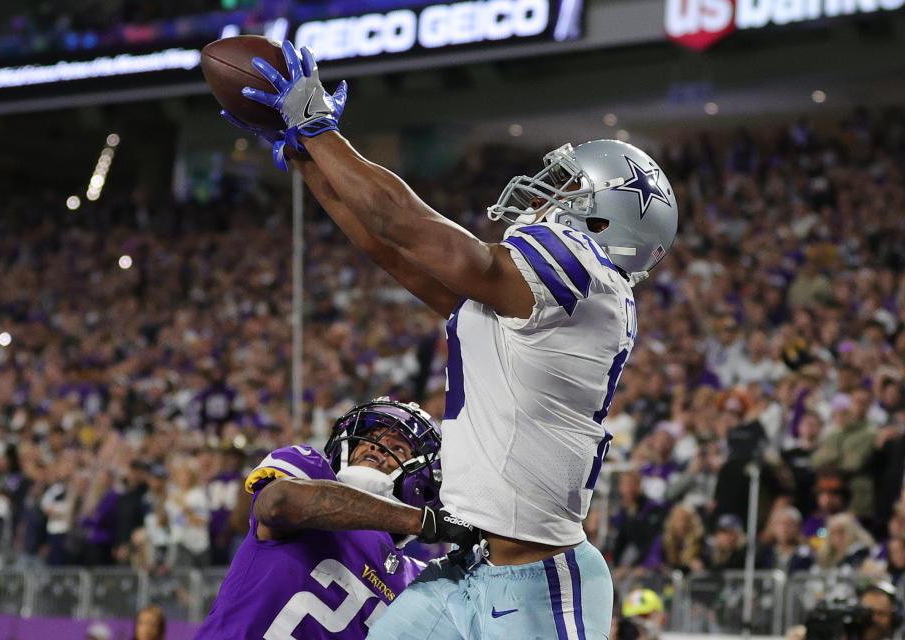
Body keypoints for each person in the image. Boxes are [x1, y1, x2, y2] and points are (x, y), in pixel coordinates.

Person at [231, 40, 676, 639]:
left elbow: (405, 225)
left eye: (567, 188)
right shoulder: (538, 303)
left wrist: (322, 131)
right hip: (463, 565)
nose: (546, 195)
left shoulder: (586, 276)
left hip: (537, 579)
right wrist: (307, 153)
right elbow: (392, 251)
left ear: (603, 221)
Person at [195, 399, 474, 639]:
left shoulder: (421, 580)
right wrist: (420, 521)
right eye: (370, 439)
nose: (375, 447)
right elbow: (279, 503)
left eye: (397, 448)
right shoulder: (310, 472)